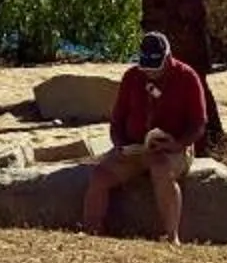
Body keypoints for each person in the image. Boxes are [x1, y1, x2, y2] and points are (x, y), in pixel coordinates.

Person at [81, 30, 207, 243]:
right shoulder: (132, 77)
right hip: (134, 148)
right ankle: (92, 231)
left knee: (161, 170)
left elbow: (198, 123)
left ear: (167, 58)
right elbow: (117, 121)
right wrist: (120, 145)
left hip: (172, 148)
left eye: (155, 68)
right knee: (100, 175)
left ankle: (171, 237)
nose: (150, 73)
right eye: (146, 68)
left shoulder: (187, 77)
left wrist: (178, 143)